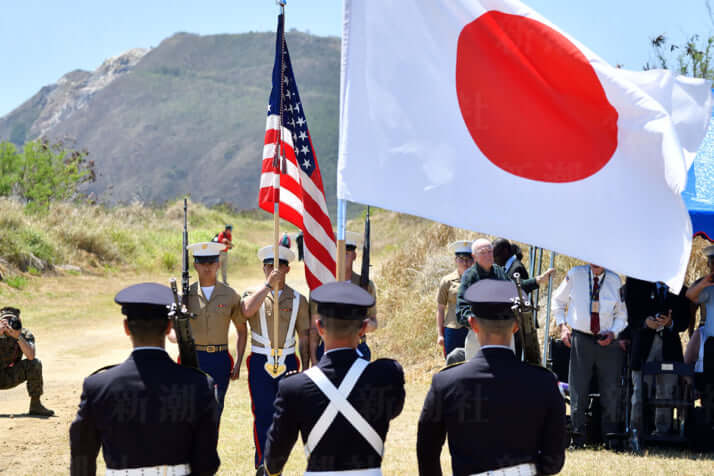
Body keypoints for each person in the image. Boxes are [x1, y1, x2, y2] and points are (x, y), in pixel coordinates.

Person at [417, 279, 566, 476]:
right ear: (515, 326)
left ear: (473, 324)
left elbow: (427, 451)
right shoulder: (544, 381)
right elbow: (554, 460)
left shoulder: (445, 382)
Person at [69, 283, 220, 476]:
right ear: (168, 327)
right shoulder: (199, 384)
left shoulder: (97, 386)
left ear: (126, 328)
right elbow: (207, 463)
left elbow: (82, 459)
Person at [262, 281, 405, 476]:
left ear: (319, 327)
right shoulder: (388, 374)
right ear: (363, 328)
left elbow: (276, 456)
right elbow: (393, 410)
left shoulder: (293, 387)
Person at [170, 241, 272, 417]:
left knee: (215, 409)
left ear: (218, 263)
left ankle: (210, 445)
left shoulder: (230, 295)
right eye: (202, 262)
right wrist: (179, 328)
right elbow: (171, 333)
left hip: (219, 359)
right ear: (195, 265)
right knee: (189, 410)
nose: (207, 267)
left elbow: (241, 330)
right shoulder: (184, 296)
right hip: (192, 358)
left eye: (211, 262)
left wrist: (239, 362)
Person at [241, 244, 310, 470]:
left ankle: (276, 465)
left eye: (278, 265)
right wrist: (268, 286)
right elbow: (246, 311)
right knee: (262, 415)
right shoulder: (252, 294)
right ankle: (262, 464)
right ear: (263, 268)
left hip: (289, 360)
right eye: (269, 265)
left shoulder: (299, 300)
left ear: (287, 269)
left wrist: (307, 367)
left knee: (286, 418)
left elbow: (305, 337)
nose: (273, 270)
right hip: (261, 360)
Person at [552, 263, 627, 448]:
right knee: (578, 388)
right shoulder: (575, 275)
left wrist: (613, 333)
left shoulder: (614, 280)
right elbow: (557, 301)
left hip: (607, 340)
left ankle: (611, 438)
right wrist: (562, 326)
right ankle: (578, 437)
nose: (596, 264)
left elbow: (622, 315)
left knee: (611, 389)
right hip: (581, 338)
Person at [455, 238, 552, 361]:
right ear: (474, 256)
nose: (489, 255)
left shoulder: (498, 271)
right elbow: (461, 310)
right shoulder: (470, 276)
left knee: (506, 374)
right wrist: (480, 321)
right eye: (484, 252)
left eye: (490, 251)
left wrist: (538, 280)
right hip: (480, 336)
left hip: (504, 333)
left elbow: (515, 287)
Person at [622, 277, 690, 444]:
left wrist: (671, 323)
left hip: (669, 348)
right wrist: (645, 323)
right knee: (638, 392)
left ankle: (662, 433)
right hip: (643, 347)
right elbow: (628, 314)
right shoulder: (636, 281)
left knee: (666, 392)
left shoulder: (679, 286)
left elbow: (684, 321)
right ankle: (635, 432)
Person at [311, 230, 377, 363]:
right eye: (338, 254)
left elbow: (374, 322)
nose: (341, 258)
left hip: (357, 346)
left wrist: (362, 325)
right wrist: (313, 360)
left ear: (354, 256)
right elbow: (314, 328)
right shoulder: (322, 285)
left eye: (346, 254)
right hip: (328, 348)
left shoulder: (365, 285)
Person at [492, 238, 554, 364]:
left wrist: (538, 280)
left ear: (505, 252)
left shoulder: (516, 267)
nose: (494, 259)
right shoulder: (506, 268)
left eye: (495, 255)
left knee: (519, 358)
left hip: (521, 321)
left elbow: (519, 288)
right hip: (514, 321)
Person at [0, 306, 54, 416]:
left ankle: (36, 405)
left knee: (34, 364)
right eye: (6, 321)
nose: (9, 324)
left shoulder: (24, 334)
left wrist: (18, 336)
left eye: (12, 320)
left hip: (9, 376)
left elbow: (30, 356)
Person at [436, 240, 473, 357]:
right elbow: (440, 309)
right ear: (455, 260)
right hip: (453, 329)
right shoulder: (447, 281)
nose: (465, 263)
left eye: (469, 259)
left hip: (473, 329)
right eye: (461, 259)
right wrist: (440, 334)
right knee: (453, 364)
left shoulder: (479, 279)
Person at [685, 245, 714, 378]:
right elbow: (691, 308)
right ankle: (692, 388)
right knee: (689, 361)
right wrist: (691, 333)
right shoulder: (703, 284)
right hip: (706, 331)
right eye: (711, 263)